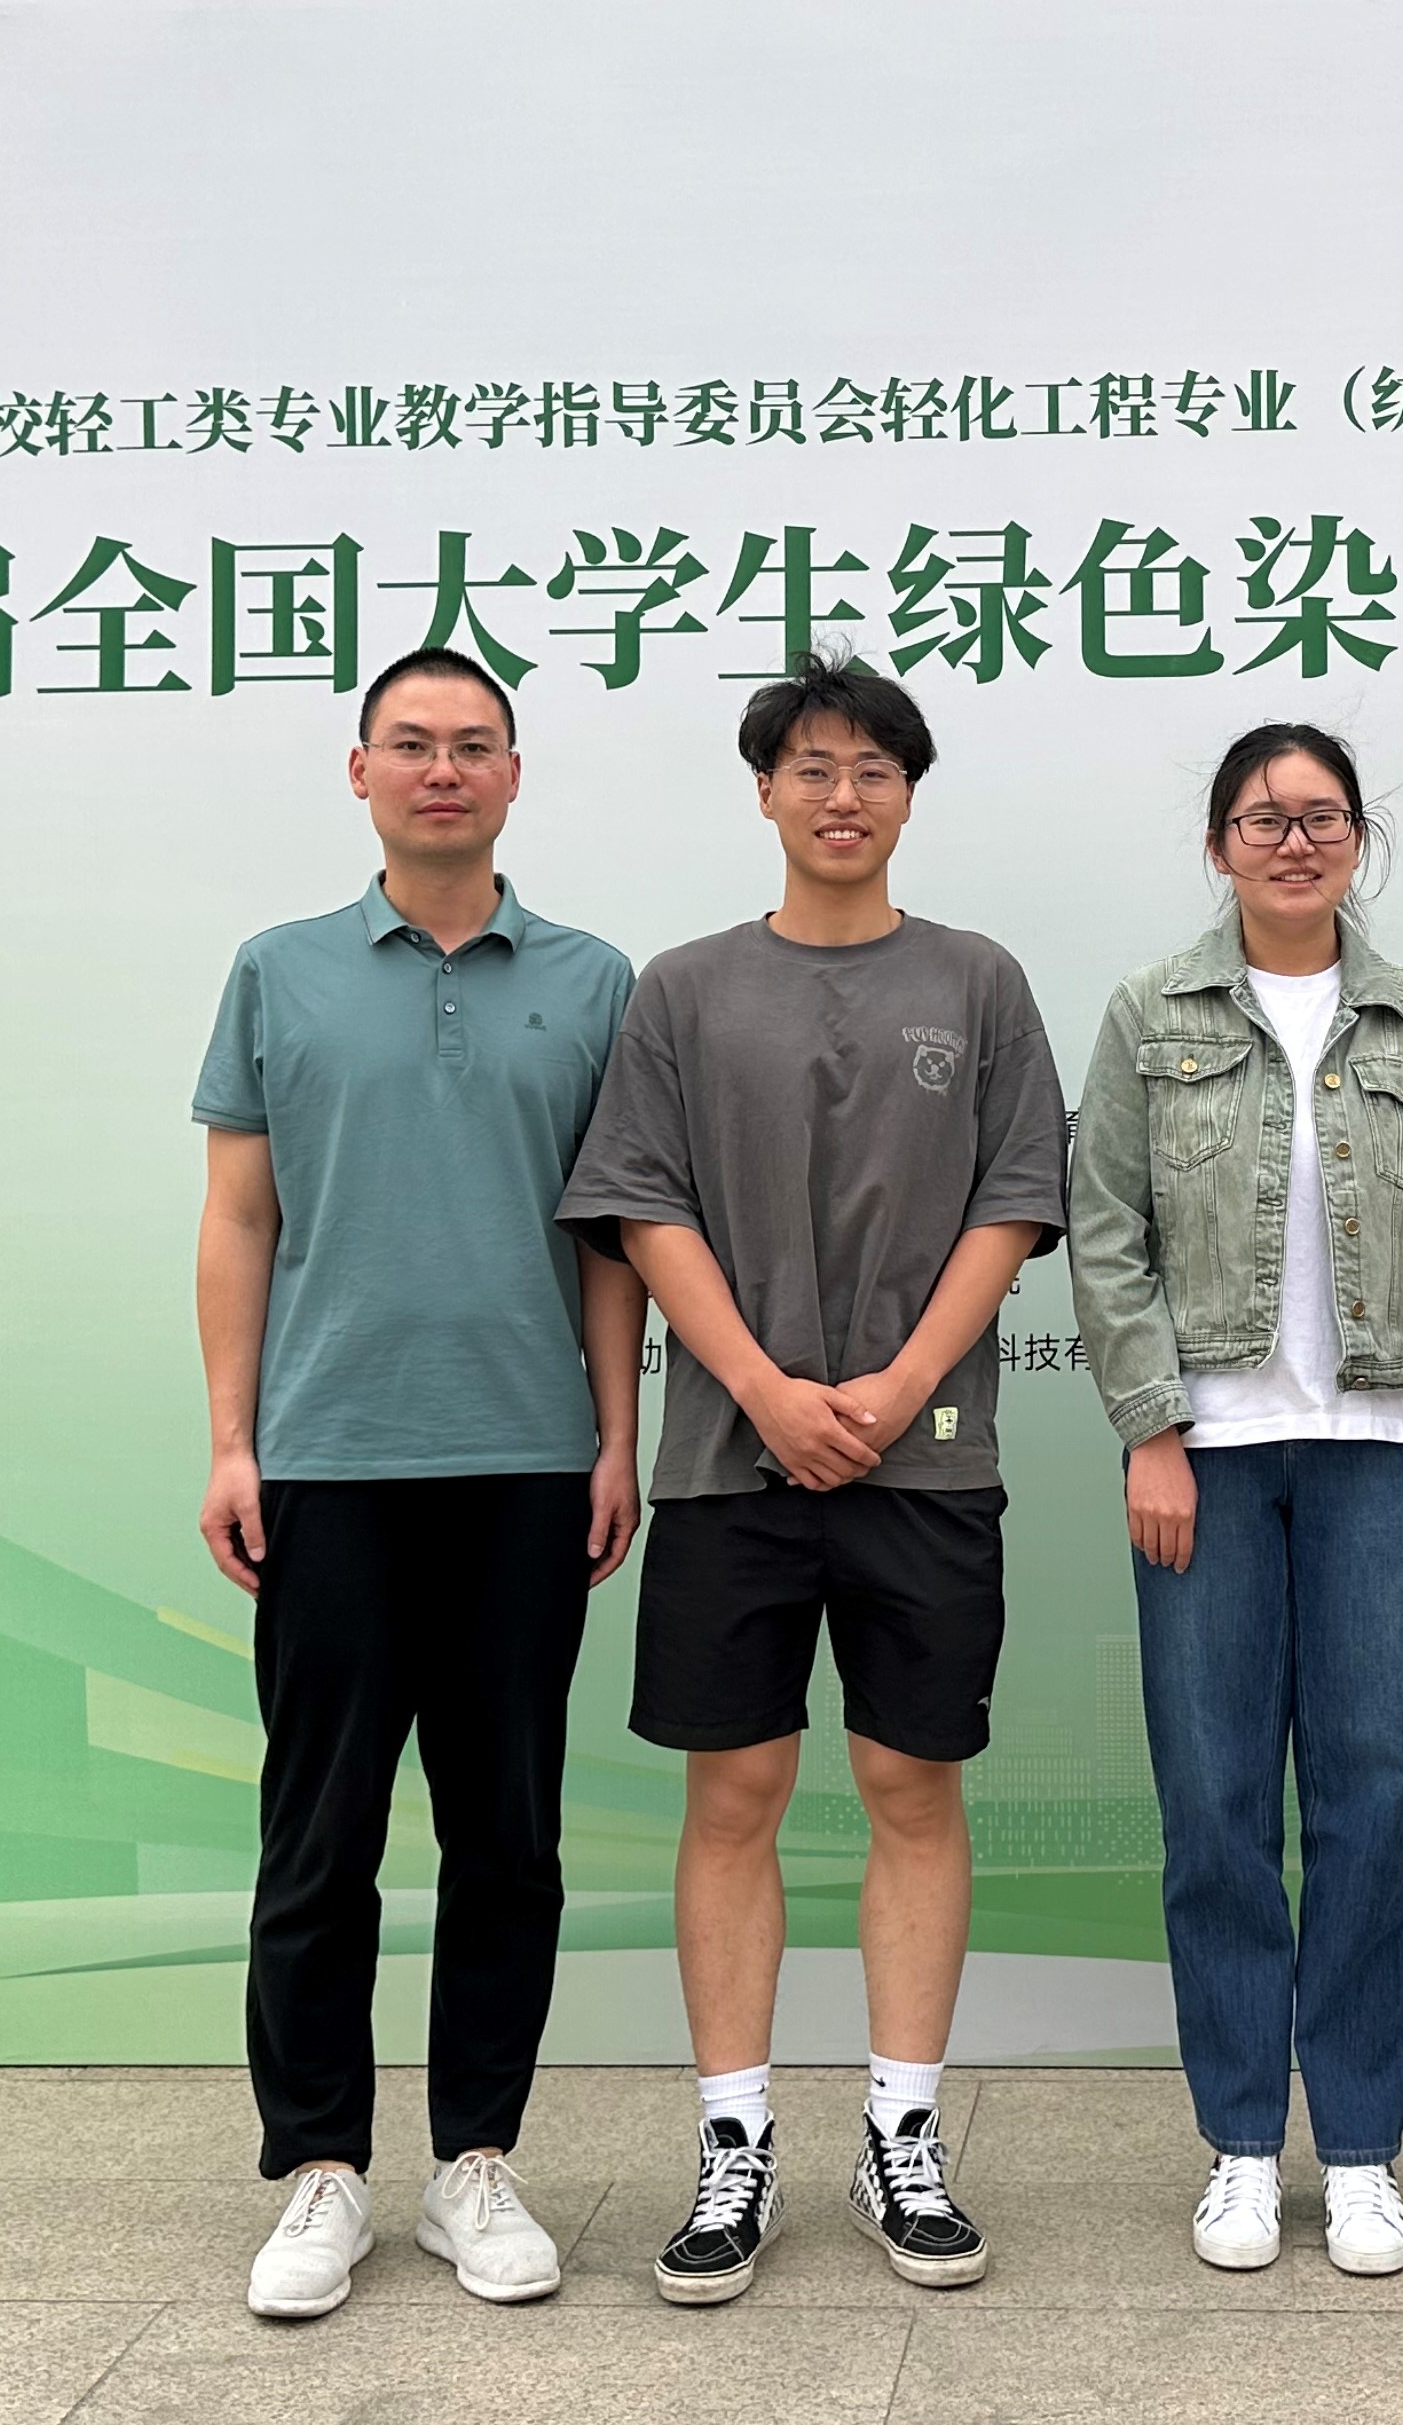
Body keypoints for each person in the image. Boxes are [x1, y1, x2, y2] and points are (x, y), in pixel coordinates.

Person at [557, 651, 1068, 2307]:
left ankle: (902, 2135)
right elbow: (643, 1208)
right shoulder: (683, 990)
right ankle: (733, 2146)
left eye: (874, 769)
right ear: (765, 790)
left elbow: (1015, 1201)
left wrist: (902, 1388)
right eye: (813, 768)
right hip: (729, 1462)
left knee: (914, 1787)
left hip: (931, 1465)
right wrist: (766, 1393)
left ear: (909, 794)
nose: (843, 796)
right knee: (736, 1795)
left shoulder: (978, 982)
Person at [193, 647, 647, 2323]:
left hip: (528, 1461)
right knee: (319, 1835)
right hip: (331, 1457)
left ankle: (476, 2164)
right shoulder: (279, 972)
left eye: (472, 745)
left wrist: (616, 1439)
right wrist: (232, 1440)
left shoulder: (593, 981)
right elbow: (240, 1218)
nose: (441, 768)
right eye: (411, 743)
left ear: (515, 775)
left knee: (506, 1836)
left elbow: (613, 1240)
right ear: (361, 770)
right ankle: (320, 2165)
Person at [1067, 722, 1403, 2279]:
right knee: (1213, 1803)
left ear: (1357, 842)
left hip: (1386, 1452)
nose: (1294, 841)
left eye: (1323, 817)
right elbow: (1106, 1229)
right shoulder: (1151, 1012)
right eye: (1263, 819)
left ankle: (1368, 2149)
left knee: (1374, 1799)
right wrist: (1150, 1429)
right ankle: (1246, 2144)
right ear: (1219, 846)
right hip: (1208, 1453)